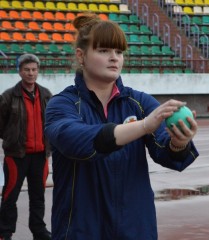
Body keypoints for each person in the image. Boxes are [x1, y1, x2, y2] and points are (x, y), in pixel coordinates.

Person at [44, 13, 199, 240]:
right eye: (104, 51)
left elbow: (166, 152)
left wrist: (179, 142)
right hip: (80, 230)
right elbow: (76, 141)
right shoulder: (62, 104)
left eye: (118, 51)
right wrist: (144, 125)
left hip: (135, 229)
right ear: (81, 56)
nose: (114, 58)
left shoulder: (140, 102)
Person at [0, 54, 52, 240]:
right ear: (20, 71)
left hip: (41, 156)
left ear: (38, 71)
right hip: (16, 155)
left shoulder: (46, 95)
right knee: (10, 195)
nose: (31, 73)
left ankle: (39, 231)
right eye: (26, 70)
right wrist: (12, 139)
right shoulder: (7, 96)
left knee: (38, 196)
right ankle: (5, 232)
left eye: (34, 69)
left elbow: (51, 122)